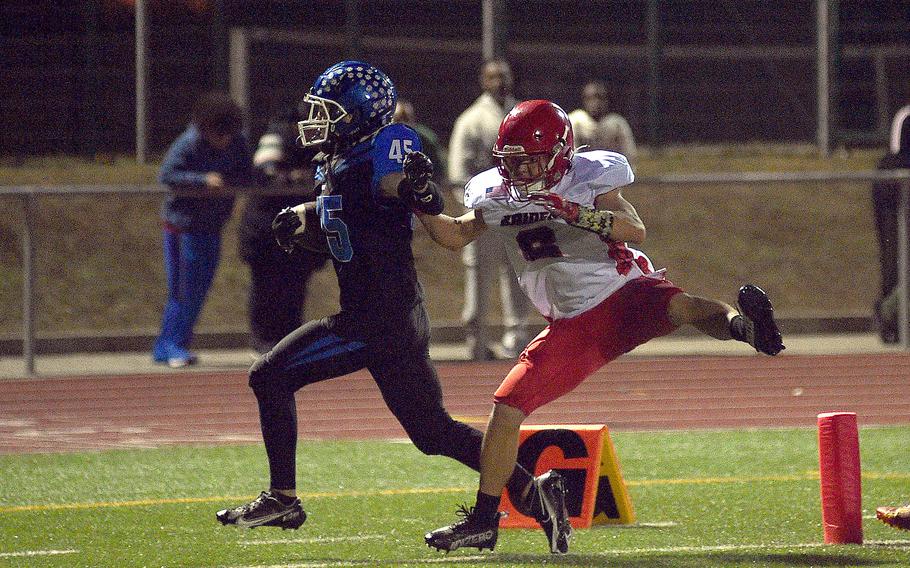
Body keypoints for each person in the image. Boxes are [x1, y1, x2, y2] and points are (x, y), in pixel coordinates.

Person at [214, 62, 563, 550]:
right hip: (392, 314)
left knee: (269, 375)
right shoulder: (336, 161)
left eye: (328, 112)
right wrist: (307, 220)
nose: (316, 121)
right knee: (432, 432)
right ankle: (533, 491)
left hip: (374, 318)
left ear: (357, 115)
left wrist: (413, 189)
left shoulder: (384, 144)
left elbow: (394, 184)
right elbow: (358, 223)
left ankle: (283, 497)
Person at [421, 100, 785, 554]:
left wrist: (575, 213)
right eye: (511, 160)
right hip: (574, 324)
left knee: (683, 307)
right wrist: (418, 202)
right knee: (507, 407)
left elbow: (635, 230)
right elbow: (453, 234)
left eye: (530, 158)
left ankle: (749, 330)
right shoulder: (495, 194)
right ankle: (484, 519)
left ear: (559, 153)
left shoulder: (588, 177)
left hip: (621, 291)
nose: (519, 169)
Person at [153, 92, 253, 368]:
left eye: (227, 135)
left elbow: (247, 173)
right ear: (204, 128)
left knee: (200, 287)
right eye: (216, 135)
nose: (223, 141)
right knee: (182, 288)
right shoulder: (188, 143)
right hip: (182, 226)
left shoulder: (237, 141)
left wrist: (234, 182)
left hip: (212, 226)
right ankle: (167, 345)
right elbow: (167, 176)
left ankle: (179, 342)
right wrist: (201, 180)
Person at [448, 58, 532, 360]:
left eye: (505, 76)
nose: (501, 82)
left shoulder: (523, 114)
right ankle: (477, 339)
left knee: (520, 274)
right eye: (494, 77)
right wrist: (473, 210)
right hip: (485, 214)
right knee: (479, 276)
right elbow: (458, 171)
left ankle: (517, 337)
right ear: (484, 81)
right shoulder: (471, 120)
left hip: (520, 212)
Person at [239, 103, 329, 354]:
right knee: (266, 288)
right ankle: (263, 339)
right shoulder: (277, 135)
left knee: (295, 288)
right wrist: (297, 179)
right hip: (266, 229)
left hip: (299, 231)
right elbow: (265, 174)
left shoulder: (324, 143)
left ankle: (291, 339)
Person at [871, 104, 910, 343]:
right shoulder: (906, 116)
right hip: (896, 200)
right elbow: (897, 160)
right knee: (895, 263)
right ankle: (889, 316)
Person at [568, 80, 637, 161]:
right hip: (582, 171)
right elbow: (569, 156)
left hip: (610, 170)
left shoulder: (617, 123)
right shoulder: (575, 120)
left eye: (599, 97)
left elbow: (629, 155)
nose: (595, 102)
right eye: (589, 98)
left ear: (606, 100)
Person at [393, 98, 447, 186]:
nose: (402, 125)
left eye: (406, 119)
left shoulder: (426, 139)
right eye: (398, 120)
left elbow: (439, 173)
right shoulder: (381, 141)